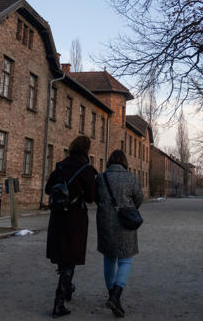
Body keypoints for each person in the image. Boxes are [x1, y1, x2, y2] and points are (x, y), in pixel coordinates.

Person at [44, 135, 98, 318]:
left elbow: (48, 188)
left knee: (62, 253)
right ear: (86, 149)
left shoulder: (60, 165)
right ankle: (59, 302)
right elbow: (91, 197)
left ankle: (67, 288)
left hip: (57, 217)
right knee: (71, 256)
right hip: (75, 219)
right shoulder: (86, 168)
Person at [96, 150, 143, 318]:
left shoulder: (101, 178)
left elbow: (96, 198)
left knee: (109, 258)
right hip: (125, 225)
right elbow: (139, 199)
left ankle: (111, 294)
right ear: (124, 162)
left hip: (106, 224)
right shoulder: (130, 178)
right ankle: (116, 295)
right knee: (125, 260)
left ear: (109, 162)